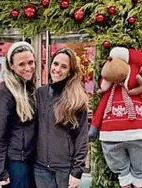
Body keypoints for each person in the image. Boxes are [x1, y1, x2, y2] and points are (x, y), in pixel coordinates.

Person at [35, 48, 89, 188]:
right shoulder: (40, 93)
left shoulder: (77, 98)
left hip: (65, 169)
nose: (57, 69)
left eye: (64, 66)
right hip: (40, 168)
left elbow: (82, 137)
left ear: (70, 72)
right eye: (55, 64)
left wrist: (77, 170)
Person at [0, 41, 36, 188]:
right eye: (21, 64)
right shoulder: (4, 92)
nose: (28, 68)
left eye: (31, 62)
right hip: (16, 161)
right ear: (12, 66)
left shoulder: (29, 87)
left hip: (31, 158)